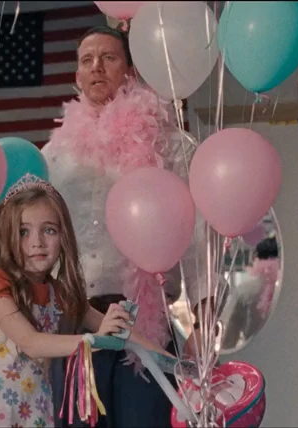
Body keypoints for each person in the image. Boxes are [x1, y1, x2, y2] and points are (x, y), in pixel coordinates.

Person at [41, 25, 190, 427]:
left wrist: (202, 309)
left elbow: (193, 225)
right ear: (77, 76)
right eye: (87, 60)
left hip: (144, 314)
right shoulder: (54, 152)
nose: (97, 67)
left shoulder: (165, 142)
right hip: (77, 314)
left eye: (108, 58)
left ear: (129, 71)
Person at [0, 175, 172, 427]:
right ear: (6, 237)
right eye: (23, 232)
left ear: (63, 236)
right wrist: (95, 340)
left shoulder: (56, 292)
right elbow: (31, 343)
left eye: (49, 230)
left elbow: (120, 332)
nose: (37, 242)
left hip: (35, 408)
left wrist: (174, 365)